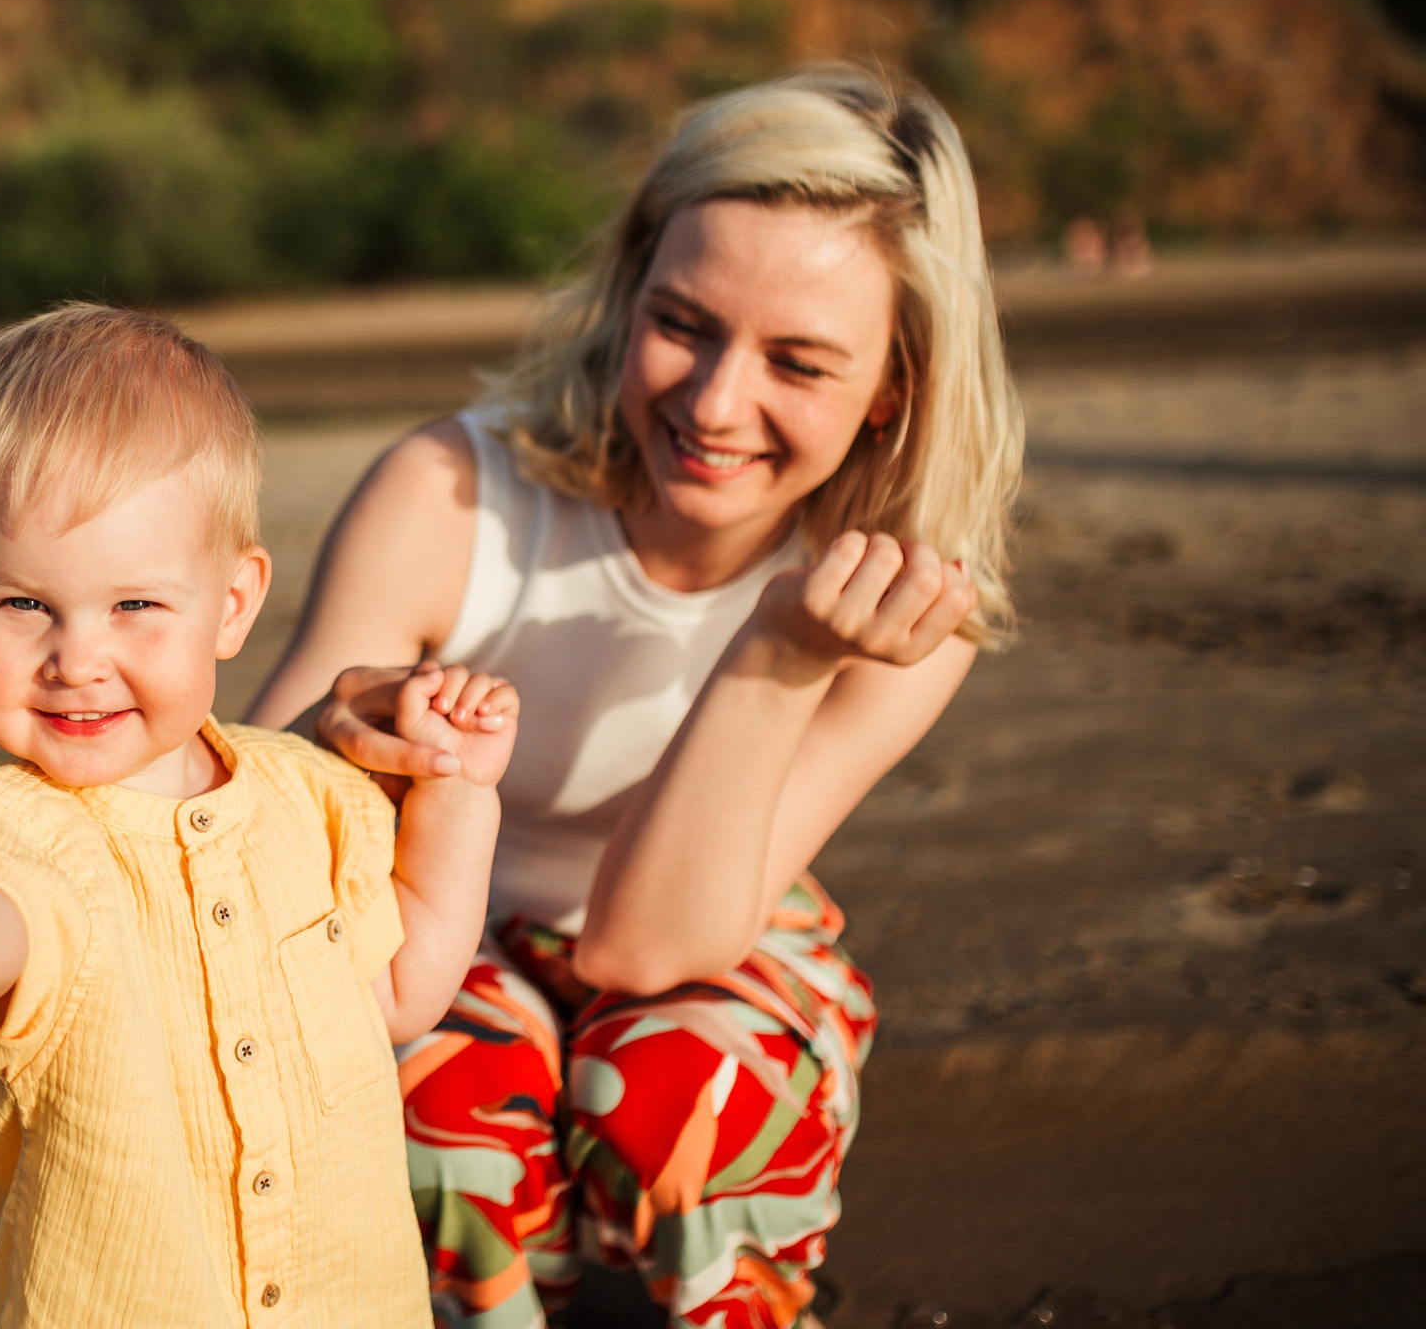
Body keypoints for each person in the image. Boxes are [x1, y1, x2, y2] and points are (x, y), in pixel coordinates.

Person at [245, 67, 1023, 1329]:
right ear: (627, 290)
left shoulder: (908, 608)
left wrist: (775, 655)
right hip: (443, 931)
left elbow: (643, 951)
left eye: (799, 363)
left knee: (692, 1083)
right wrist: (335, 739)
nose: (715, 404)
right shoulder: (452, 489)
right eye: (685, 323)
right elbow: (248, 830)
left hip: (718, 937)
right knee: (424, 1089)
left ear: (894, 386)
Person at [0, 305, 521, 1329]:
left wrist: (458, 788)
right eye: (24, 605)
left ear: (232, 604)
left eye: (134, 607)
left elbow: (403, 990)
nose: (76, 658)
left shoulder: (302, 794)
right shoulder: (19, 823)